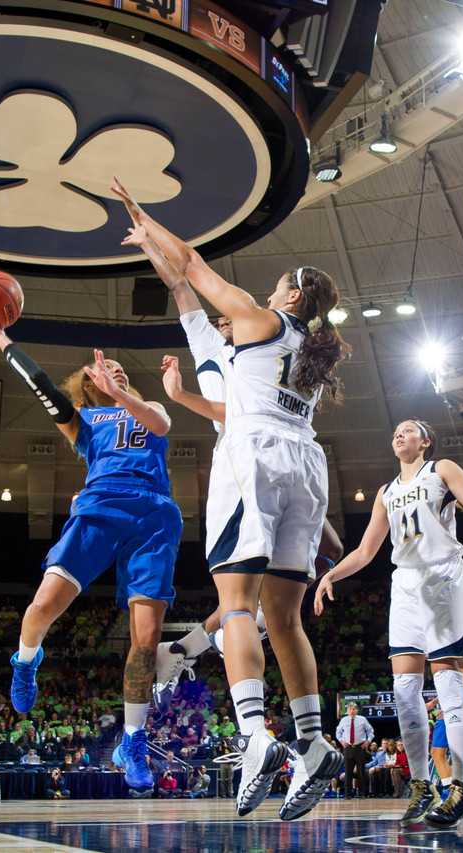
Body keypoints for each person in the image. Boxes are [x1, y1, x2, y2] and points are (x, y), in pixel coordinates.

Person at [114, 176, 346, 822]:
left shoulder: (258, 321)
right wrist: (151, 248)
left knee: (236, 603)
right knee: (284, 618)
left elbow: (192, 265)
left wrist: (145, 219)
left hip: (255, 455)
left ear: (292, 296)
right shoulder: (309, 352)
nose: (265, 291)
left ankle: (254, 735)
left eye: (278, 285)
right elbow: (183, 289)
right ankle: (313, 741)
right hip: (306, 462)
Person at [0, 312, 183, 794]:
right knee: (43, 605)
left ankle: (133, 740)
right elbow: (41, 385)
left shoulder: (143, 406)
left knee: (147, 640)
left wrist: (120, 392)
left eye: (120, 370)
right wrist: (0, 338)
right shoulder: (83, 420)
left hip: (154, 514)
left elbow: (161, 423)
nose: (115, 371)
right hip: (101, 504)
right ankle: (26, 661)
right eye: (104, 371)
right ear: (87, 384)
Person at [144, 254, 343, 707]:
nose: (226, 322)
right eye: (222, 322)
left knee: (330, 550)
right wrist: (179, 395)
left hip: (277, 458)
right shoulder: (213, 353)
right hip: (247, 457)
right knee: (251, 585)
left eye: (228, 320)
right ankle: (215, 639)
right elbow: (184, 292)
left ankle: (191, 645)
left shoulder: (269, 348)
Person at [315, 419, 463, 828]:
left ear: (425, 441)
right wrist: (331, 575)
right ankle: (420, 784)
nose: (399, 434)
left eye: (409, 430)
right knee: (404, 689)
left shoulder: (441, 469)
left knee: (448, 681)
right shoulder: (385, 492)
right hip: (405, 584)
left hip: (442, 576)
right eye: (396, 430)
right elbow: (366, 550)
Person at [334, 702, 374, 800]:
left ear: (356, 710)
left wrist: (368, 741)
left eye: (353, 709)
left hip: (360, 747)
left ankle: (362, 794)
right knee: (348, 772)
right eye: (350, 709)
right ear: (347, 711)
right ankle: (348, 794)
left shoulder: (362, 719)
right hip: (348, 747)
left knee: (361, 772)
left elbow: (370, 731)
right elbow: (338, 732)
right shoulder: (344, 720)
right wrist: (341, 741)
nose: (352, 711)